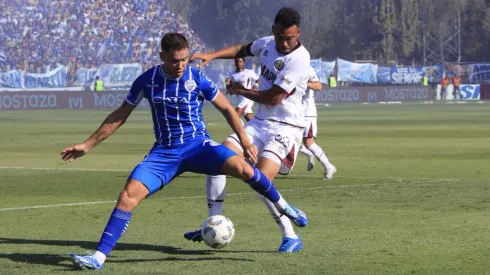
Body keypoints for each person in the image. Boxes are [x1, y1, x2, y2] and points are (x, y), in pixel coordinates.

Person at [63, 33, 307, 270]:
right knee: (127, 197)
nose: (180, 65)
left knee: (244, 168)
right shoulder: (146, 81)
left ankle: (284, 206)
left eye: (184, 59)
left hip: (199, 147)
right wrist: (87, 144)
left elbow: (227, 109)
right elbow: (120, 115)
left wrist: (245, 141)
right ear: (162, 56)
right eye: (174, 60)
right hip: (164, 153)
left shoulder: (197, 77)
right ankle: (98, 257)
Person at [184, 7, 310, 253]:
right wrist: (212, 55)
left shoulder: (299, 59)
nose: (285, 42)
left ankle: (290, 236)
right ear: (273, 30)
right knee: (216, 160)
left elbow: (275, 98)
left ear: (298, 33)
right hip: (259, 123)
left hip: (286, 127)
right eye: (281, 36)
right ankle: (213, 224)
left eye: (290, 38)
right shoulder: (267, 43)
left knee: (260, 181)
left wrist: (240, 91)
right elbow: (242, 48)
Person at [298, 66, 337, 180]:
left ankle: (329, 167)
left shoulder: (307, 69)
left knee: (309, 143)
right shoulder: (289, 67)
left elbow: (318, 86)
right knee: (289, 139)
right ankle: (309, 154)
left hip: (307, 113)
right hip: (294, 111)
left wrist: (304, 84)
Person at [225, 57, 260, 122]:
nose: (238, 63)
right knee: (250, 120)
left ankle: (238, 132)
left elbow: (258, 80)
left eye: (240, 61)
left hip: (247, 98)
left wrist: (256, 85)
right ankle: (258, 131)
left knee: (234, 118)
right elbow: (229, 88)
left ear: (243, 62)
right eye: (237, 62)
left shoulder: (249, 72)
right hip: (239, 99)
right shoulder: (231, 74)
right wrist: (228, 86)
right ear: (235, 63)